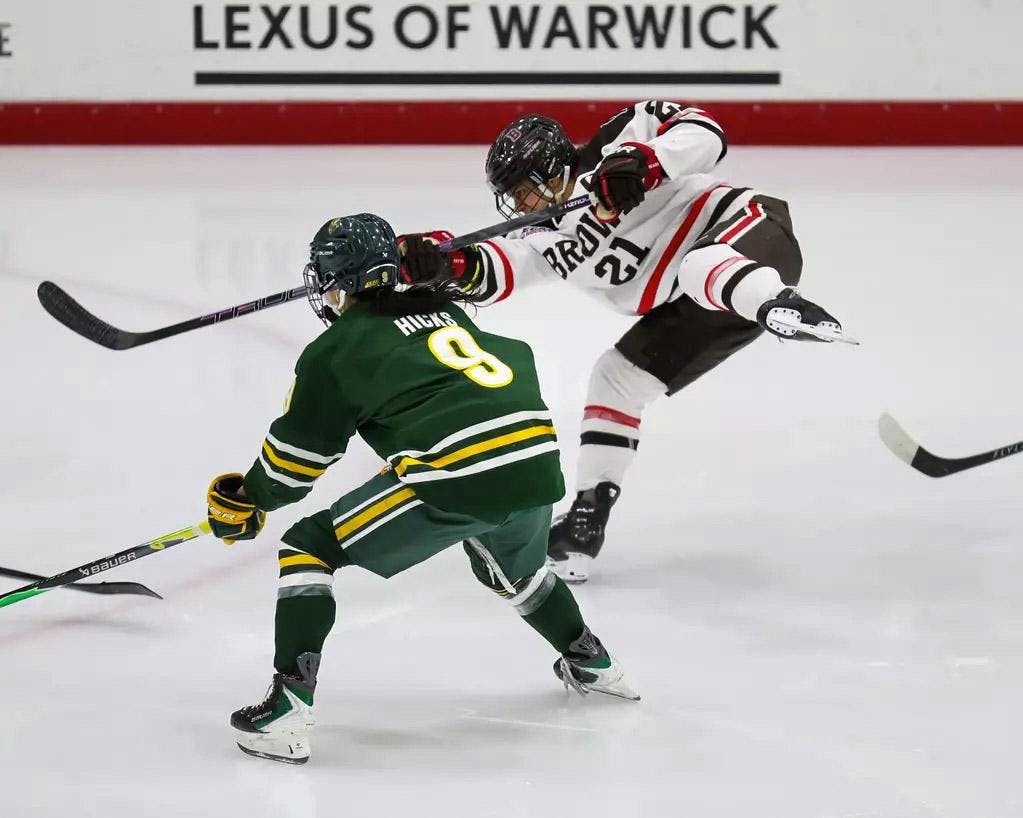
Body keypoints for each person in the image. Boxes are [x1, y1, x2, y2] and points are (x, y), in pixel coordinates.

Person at [206, 214, 638, 765]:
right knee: (512, 569)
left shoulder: (335, 351)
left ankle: (286, 711)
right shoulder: (443, 306)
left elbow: (293, 466)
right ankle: (595, 664)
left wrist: (247, 501)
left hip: (461, 474)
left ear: (334, 279)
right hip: (536, 463)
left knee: (308, 548)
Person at [399, 100, 848, 583]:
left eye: (525, 190)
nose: (520, 205)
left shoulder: (619, 138)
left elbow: (708, 133)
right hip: (702, 298)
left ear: (553, 171)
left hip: (750, 232)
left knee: (701, 264)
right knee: (615, 379)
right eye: (512, 195)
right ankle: (585, 521)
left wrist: (646, 161)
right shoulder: (540, 236)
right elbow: (494, 268)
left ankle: (781, 304)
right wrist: (443, 264)